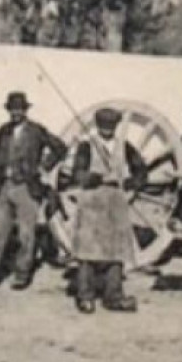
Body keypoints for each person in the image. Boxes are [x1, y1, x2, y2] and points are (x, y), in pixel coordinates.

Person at [0, 91, 67, 289]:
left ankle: (21, 275)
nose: (16, 113)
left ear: (26, 110)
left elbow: (60, 148)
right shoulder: (3, 131)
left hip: (27, 188)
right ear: (8, 111)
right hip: (4, 187)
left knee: (27, 234)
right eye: (12, 109)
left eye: (19, 109)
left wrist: (45, 166)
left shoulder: (36, 131)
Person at [70, 107, 148, 313]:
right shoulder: (86, 147)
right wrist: (96, 178)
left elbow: (141, 170)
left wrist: (131, 182)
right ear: (97, 126)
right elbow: (77, 174)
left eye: (110, 127)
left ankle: (113, 295)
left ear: (116, 127)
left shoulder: (124, 147)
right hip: (91, 201)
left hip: (115, 201)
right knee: (88, 250)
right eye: (103, 127)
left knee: (116, 250)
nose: (107, 131)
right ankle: (85, 296)